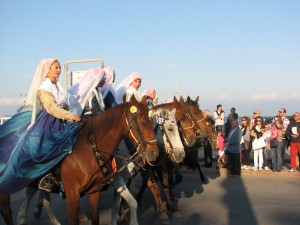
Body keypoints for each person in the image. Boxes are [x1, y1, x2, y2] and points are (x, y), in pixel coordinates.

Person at [0, 58, 81, 194]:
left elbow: (64, 105)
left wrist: (73, 114)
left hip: (62, 119)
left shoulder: (58, 86)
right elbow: (51, 108)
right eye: (56, 67)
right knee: (46, 148)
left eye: (59, 67)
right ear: (47, 71)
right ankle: (45, 177)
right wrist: (70, 116)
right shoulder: (45, 87)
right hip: (49, 122)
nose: (59, 70)